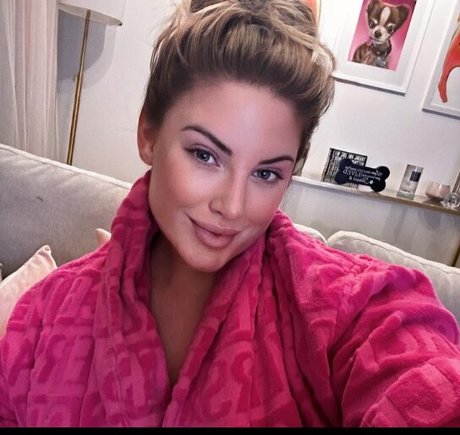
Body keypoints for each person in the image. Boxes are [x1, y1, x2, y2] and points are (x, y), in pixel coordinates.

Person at [1, 0, 460, 427]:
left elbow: (423, 375)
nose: (233, 206)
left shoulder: (346, 305)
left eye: (266, 174)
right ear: (149, 135)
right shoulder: (43, 316)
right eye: (205, 155)